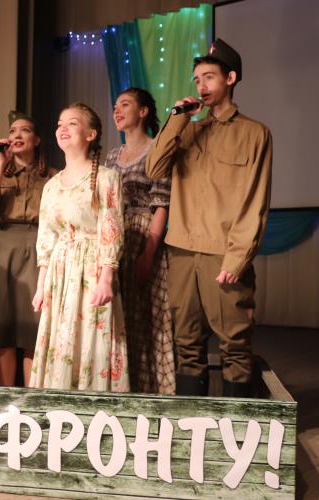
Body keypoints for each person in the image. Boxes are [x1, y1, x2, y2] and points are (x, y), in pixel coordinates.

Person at [145, 39, 273, 397]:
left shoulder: (254, 133)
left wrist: (238, 257)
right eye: (197, 79)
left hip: (223, 253)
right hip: (182, 251)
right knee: (186, 343)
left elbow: (256, 200)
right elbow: (154, 168)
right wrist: (177, 117)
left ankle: (236, 425)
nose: (201, 85)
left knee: (235, 344)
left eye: (209, 77)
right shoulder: (187, 130)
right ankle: (191, 426)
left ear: (230, 78)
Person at [29, 102, 128, 392]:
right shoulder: (52, 185)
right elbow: (46, 237)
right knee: (61, 339)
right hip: (60, 273)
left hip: (91, 270)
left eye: (72, 123)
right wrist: (41, 286)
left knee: (90, 339)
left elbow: (111, 229)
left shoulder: (107, 178)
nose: (63, 128)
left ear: (90, 134)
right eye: (60, 124)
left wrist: (106, 278)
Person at [0, 111, 56, 387]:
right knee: (4, 327)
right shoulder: (1, 173)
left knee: (32, 328)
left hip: (38, 247)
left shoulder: (53, 176)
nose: (17, 135)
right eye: (12, 131)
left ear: (37, 139)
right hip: (5, 247)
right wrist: (2, 162)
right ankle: (6, 395)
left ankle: (30, 396)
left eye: (25, 130)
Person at [106, 87, 175, 395]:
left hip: (146, 234)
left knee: (149, 316)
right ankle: (124, 387)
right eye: (115, 106)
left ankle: (152, 392)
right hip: (117, 237)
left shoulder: (156, 149)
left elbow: (162, 205)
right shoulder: (111, 156)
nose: (117, 110)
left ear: (143, 111)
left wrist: (149, 253)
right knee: (123, 317)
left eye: (125, 104)